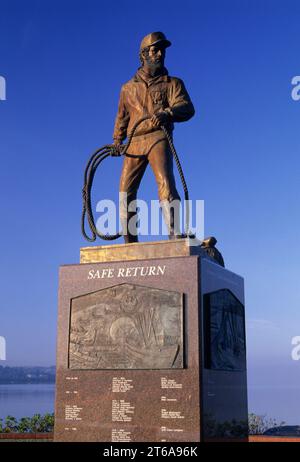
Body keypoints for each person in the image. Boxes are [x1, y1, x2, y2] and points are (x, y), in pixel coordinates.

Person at [113, 32, 195, 243]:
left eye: (162, 50)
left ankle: (175, 234)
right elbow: (122, 117)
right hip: (133, 142)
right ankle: (129, 241)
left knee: (165, 184)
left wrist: (167, 113)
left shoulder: (173, 83)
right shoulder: (127, 88)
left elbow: (187, 107)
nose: (160, 54)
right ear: (144, 54)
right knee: (125, 191)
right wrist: (116, 141)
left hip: (159, 137)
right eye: (155, 50)